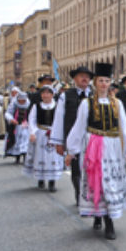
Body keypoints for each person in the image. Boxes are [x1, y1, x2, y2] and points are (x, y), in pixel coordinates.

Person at [65, 62, 126, 240]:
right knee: (97, 181)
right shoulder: (86, 104)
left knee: (110, 183)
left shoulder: (117, 103)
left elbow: (123, 126)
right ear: (95, 83)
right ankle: (100, 216)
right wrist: (71, 151)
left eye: (107, 80)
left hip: (112, 148)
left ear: (110, 82)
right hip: (94, 146)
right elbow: (79, 127)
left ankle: (108, 219)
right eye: (101, 80)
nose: (104, 84)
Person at [51, 66, 93, 206]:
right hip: (72, 138)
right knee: (76, 168)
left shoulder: (94, 95)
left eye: (87, 76)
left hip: (92, 139)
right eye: (81, 76)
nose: (84, 78)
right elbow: (59, 118)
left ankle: (90, 194)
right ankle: (78, 192)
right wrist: (59, 142)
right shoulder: (66, 96)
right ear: (75, 79)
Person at [24, 85, 63, 191]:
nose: (45, 95)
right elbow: (31, 120)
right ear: (41, 95)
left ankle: (52, 181)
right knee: (40, 156)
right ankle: (40, 179)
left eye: (48, 93)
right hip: (41, 133)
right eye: (43, 93)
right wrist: (32, 132)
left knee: (53, 156)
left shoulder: (57, 106)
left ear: (52, 95)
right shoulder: (36, 106)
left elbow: (60, 120)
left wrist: (59, 133)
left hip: (54, 133)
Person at [4, 91, 31, 163]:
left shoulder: (29, 104)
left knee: (26, 141)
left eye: (23, 100)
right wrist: (11, 119)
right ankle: (17, 157)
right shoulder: (14, 104)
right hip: (16, 126)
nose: (21, 101)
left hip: (26, 126)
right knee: (17, 140)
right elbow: (8, 113)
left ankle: (25, 156)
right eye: (20, 100)